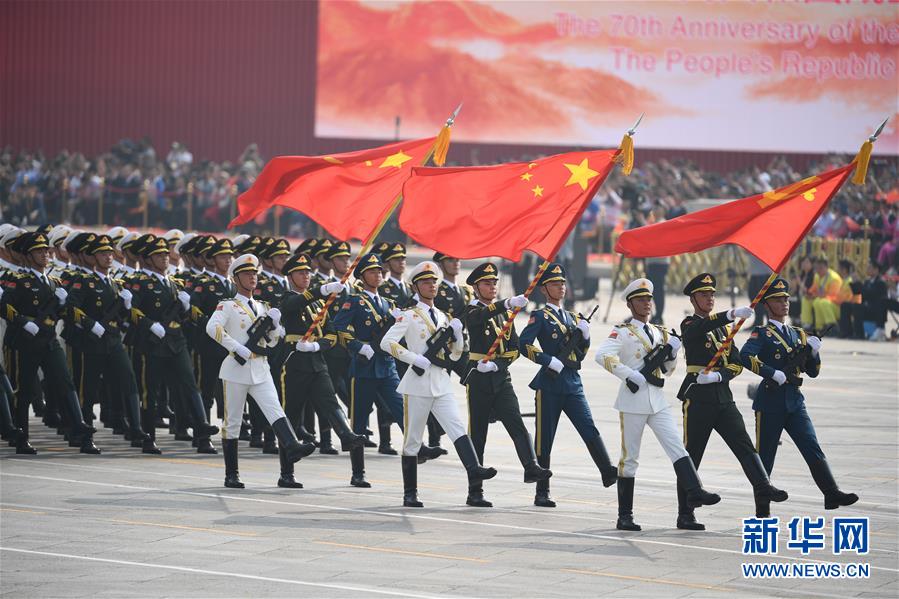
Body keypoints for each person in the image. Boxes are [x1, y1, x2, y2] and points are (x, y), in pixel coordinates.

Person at [594, 277, 720, 531]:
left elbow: (669, 369)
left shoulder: (661, 332)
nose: (647, 303)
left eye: (649, 299)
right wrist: (630, 374)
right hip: (632, 401)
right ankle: (624, 515)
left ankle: (695, 492)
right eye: (641, 300)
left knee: (677, 448)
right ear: (631, 304)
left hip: (657, 399)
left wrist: (672, 352)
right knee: (630, 459)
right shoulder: (623, 331)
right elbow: (602, 355)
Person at [674, 273, 787, 530]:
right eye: (704, 295)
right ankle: (685, 513)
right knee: (691, 455)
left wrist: (719, 375)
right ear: (693, 298)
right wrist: (729, 314)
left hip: (723, 396)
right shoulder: (689, 323)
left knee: (745, 445)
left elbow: (736, 362)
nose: (710, 298)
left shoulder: (726, 330)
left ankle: (763, 486)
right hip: (698, 398)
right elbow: (699, 331)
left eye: (713, 294)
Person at [381, 261, 497, 508]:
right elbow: (387, 343)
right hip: (418, 384)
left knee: (457, 428)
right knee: (413, 440)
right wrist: (414, 358)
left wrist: (456, 337)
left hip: (441, 382)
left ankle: (474, 472)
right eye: (425, 282)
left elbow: (454, 355)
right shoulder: (409, 315)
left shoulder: (444, 317)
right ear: (415, 286)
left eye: (434, 281)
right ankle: (410, 493)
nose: (432, 285)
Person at [740, 278, 858, 516]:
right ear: (767, 305)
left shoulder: (798, 334)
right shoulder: (761, 333)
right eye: (778, 300)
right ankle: (762, 510)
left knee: (811, 446)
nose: (784, 303)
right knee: (765, 457)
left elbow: (812, 372)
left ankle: (831, 492)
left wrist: (813, 352)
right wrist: (772, 373)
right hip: (770, 402)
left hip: (794, 401)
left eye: (786, 299)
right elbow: (745, 357)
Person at [205, 253, 316, 488]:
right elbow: (211, 328)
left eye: (255, 273)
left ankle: (292, 446)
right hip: (236, 368)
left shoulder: (264, 306)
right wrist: (236, 348)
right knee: (233, 422)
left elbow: (273, 342)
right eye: (246, 274)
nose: (252, 277)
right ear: (236, 279)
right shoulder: (228, 305)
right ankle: (231, 474)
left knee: (275, 410)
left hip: (260, 368)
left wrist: (275, 327)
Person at [519, 263, 618, 509]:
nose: (561, 287)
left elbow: (581, 354)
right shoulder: (540, 316)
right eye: (555, 283)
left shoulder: (573, 317)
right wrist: (546, 359)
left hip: (573, 382)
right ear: (544, 289)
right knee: (545, 438)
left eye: (562, 283)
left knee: (588, 426)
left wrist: (585, 336)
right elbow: (524, 344)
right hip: (549, 383)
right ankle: (542, 492)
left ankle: (607, 470)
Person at [0, 231, 99, 454]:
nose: (45, 254)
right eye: (39, 251)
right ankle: (21, 436)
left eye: (46, 250)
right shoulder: (18, 281)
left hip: (49, 340)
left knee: (65, 382)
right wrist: (23, 322)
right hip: (23, 341)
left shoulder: (54, 282)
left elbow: (62, 313)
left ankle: (80, 426)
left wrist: (65, 304)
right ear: (27, 255)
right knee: (23, 390)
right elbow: (4, 307)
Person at [461, 262, 551, 507]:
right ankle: (475, 491)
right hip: (478, 378)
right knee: (478, 434)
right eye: (486, 283)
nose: (491, 286)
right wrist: (506, 303)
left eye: (494, 283)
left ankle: (530, 467)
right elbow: (478, 319)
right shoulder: (472, 309)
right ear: (476, 287)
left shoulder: (503, 315)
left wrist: (498, 365)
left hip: (500, 377)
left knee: (517, 425)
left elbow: (514, 349)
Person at [278, 253, 365, 487]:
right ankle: (286, 473)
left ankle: (346, 436)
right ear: (290, 276)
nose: (305, 276)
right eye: (300, 273)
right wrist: (321, 290)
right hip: (294, 364)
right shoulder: (287, 298)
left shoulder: (319, 304)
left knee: (330, 402)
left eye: (308, 272)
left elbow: (331, 332)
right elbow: (294, 305)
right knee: (291, 417)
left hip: (317, 362)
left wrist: (318, 345)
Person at [332, 253, 408, 487]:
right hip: (364, 368)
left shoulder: (388, 304)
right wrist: (357, 347)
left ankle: (416, 448)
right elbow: (339, 327)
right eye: (373, 271)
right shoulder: (354, 301)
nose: (378, 274)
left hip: (386, 367)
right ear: (363, 276)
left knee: (402, 410)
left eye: (379, 271)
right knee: (359, 423)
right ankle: (358, 472)